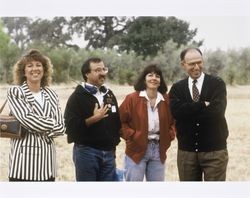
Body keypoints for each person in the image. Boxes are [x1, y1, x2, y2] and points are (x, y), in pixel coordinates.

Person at [169, 47, 229, 181]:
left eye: (199, 62)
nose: (197, 67)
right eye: (191, 64)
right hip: (186, 153)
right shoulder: (177, 88)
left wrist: (187, 111)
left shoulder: (217, 84)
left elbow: (217, 112)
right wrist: (202, 105)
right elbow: (176, 112)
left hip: (215, 152)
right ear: (183, 65)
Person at [7, 49, 65, 181]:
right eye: (30, 65)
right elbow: (28, 119)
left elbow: (62, 127)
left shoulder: (51, 94)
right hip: (24, 166)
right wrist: (52, 124)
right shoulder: (16, 92)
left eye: (38, 65)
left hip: (48, 164)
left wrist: (43, 125)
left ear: (44, 69)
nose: (35, 69)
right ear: (23, 71)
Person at [64, 57, 121, 181]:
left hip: (109, 154)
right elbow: (70, 127)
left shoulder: (109, 95)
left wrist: (113, 146)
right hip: (86, 153)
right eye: (97, 70)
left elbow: (116, 123)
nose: (102, 73)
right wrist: (93, 119)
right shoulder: (77, 97)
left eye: (103, 69)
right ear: (87, 74)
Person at [119, 64, 175, 181]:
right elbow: (119, 122)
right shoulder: (132, 98)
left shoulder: (166, 100)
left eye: (157, 76)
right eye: (150, 75)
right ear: (144, 80)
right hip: (136, 150)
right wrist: (132, 136)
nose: (154, 78)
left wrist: (170, 135)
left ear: (160, 81)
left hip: (159, 150)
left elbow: (174, 121)